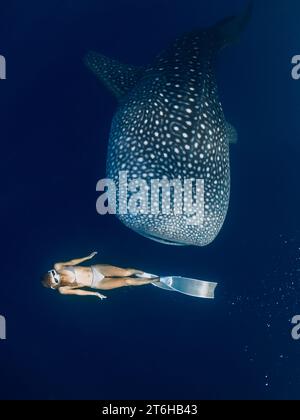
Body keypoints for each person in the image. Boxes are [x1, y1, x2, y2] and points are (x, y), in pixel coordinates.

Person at [41, 252, 159, 300]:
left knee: (127, 272)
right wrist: (95, 294)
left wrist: (87, 257)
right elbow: (79, 292)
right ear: (55, 285)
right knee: (127, 281)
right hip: (97, 284)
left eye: (53, 273)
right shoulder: (63, 289)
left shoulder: (58, 266)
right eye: (55, 279)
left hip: (96, 269)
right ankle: (154, 280)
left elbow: (72, 262)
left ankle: (143, 273)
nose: (57, 275)